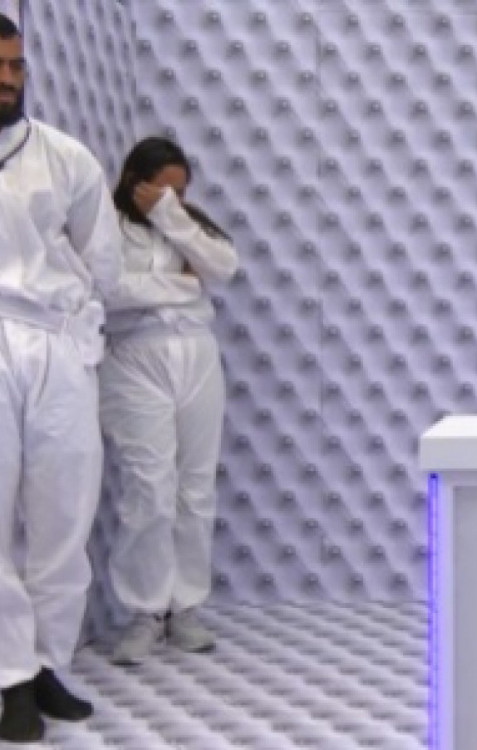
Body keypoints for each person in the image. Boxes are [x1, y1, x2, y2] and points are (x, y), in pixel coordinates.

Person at [0, 13, 123, 743]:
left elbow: (103, 260)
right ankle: (9, 673)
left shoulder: (66, 156)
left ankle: (47, 660)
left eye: (16, 66)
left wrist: (81, 341)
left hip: (54, 340)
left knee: (64, 511)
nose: (8, 80)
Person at [101, 137, 238, 666]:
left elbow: (223, 267)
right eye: (162, 190)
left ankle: (186, 608)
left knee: (195, 488)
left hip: (196, 356)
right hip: (134, 357)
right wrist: (182, 286)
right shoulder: (109, 225)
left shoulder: (185, 224)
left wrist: (172, 217)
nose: (172, 199)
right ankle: (144, 611)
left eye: (181, 192)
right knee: (148, 488)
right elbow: (108, 290)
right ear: (134, 181)